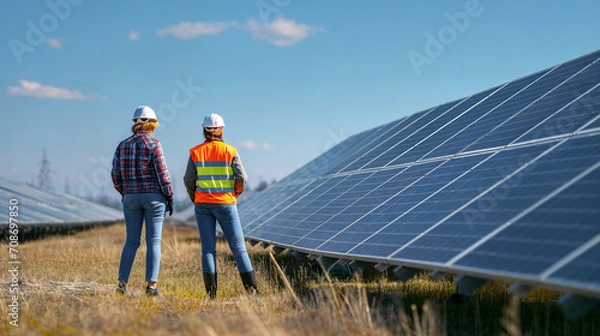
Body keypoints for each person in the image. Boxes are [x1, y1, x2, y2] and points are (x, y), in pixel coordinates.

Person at [183, 113, 257, 299]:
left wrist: (196, 197)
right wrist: (235, 193)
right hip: (226, 203)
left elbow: (188, 179)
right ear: (221, 129)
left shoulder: (195, 152)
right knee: (238, 247)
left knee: (208, 249)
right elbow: (242, 178)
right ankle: (252, 292)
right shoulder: (230, 151)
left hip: (202, 205)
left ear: (204, 130)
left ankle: (211, 295)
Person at [111, 105, 174, 297]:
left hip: (130, 197)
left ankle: (122, 284)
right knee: (153, 242)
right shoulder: (154, 144)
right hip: (154, 197)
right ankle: (151, 287)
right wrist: (169, 196)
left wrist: (126, 192)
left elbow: (115, 175)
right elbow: (163, 175)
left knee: (131, 241)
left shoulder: (122, 145)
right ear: (152, 124)